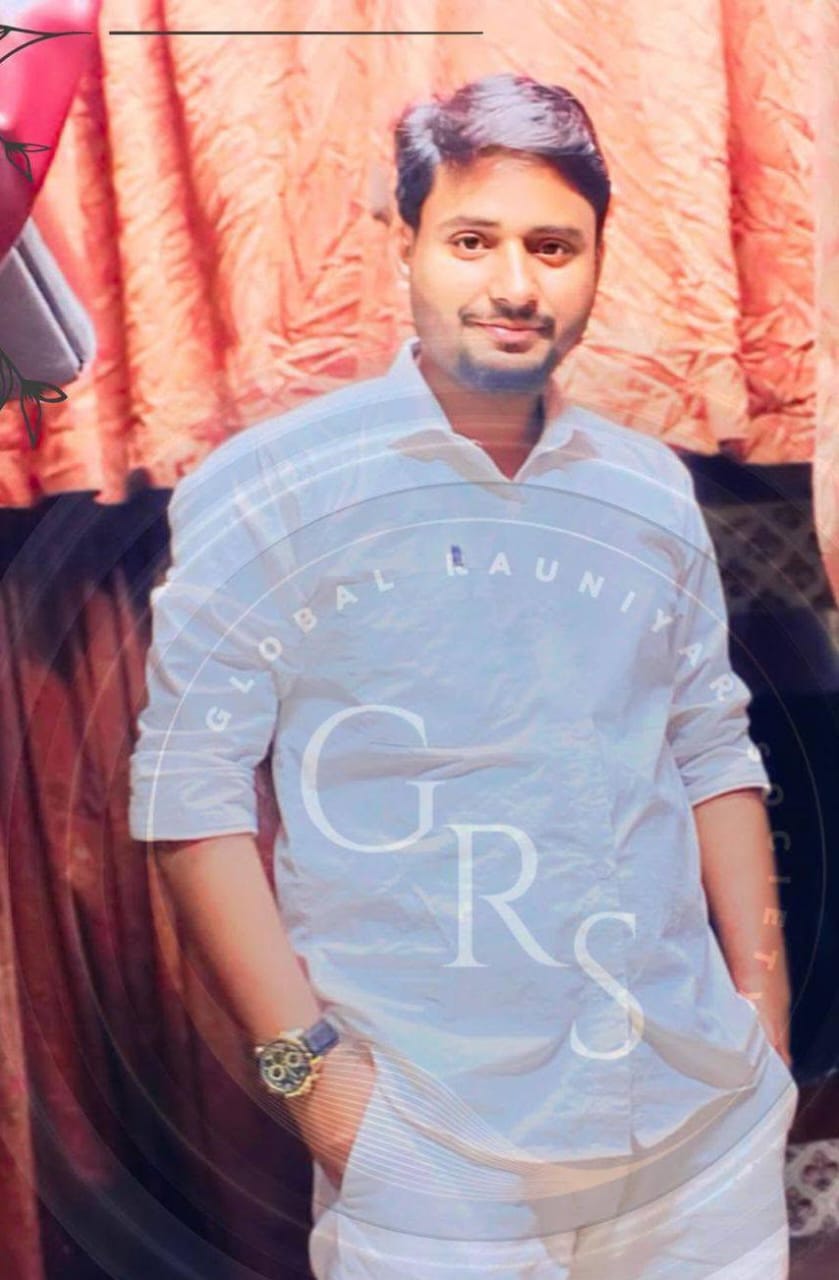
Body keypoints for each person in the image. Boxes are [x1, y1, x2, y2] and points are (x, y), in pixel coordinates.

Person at [129, 73, 799, 1279]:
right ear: (405, 241)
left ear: (595, 257)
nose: (513, 285)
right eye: (472, 240)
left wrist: (763, 1022)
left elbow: (709, 749)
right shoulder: (269, 486)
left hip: (688, 1104)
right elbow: (190, 801)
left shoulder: (645, 490)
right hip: (431, 1138)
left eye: (552, 245)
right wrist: (320, 1094)